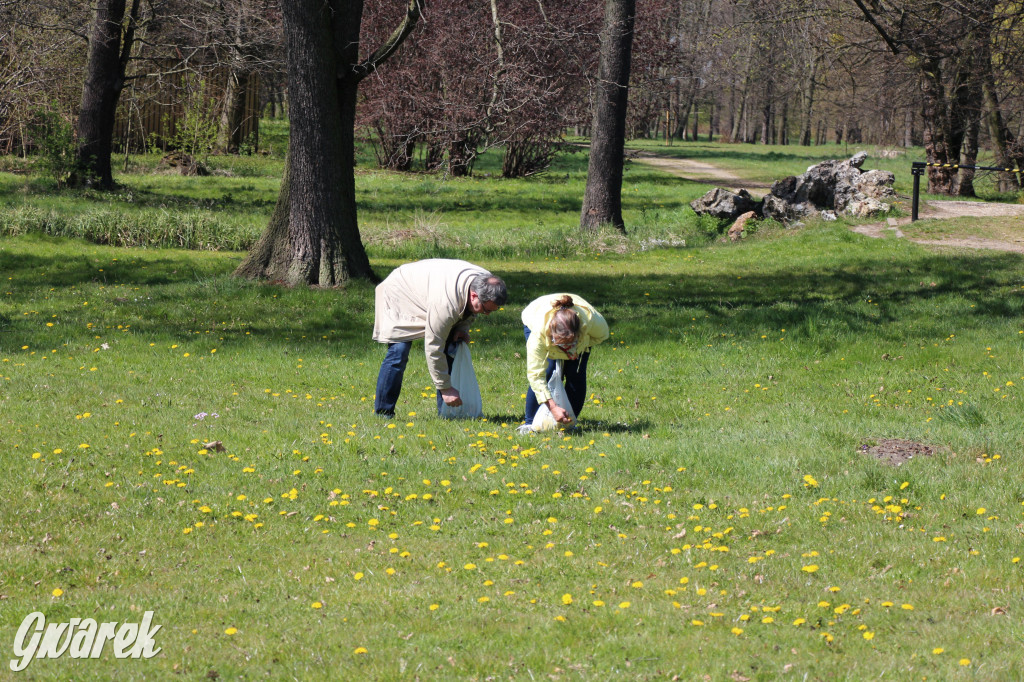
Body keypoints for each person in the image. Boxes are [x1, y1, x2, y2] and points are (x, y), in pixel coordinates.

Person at [372, 259, 508, 418]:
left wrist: (461, 327)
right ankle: (384, 413)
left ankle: (445, 413)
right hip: (400, 291)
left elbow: (472, 309)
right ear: (473, 295)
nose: (486, 314)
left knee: (451, 345)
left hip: (430, 289)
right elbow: (433, 346)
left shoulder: (486, 282)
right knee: (398, 352)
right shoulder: (446, 304)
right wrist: (445, 388)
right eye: (485, 310)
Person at [520, 293, 609, 430]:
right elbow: (536, 376)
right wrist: (553, 407)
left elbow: (602, 336)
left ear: (578, 333)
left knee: (576, 374)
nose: (565, 348)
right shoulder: (538, 333)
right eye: (560, 343)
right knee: (548, 372)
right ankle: (529, 424)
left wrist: (579, 347)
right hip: (535, 313)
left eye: (569, 343)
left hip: (579, 340)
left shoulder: (592, 322)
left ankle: (569, 423)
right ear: (551, 334)